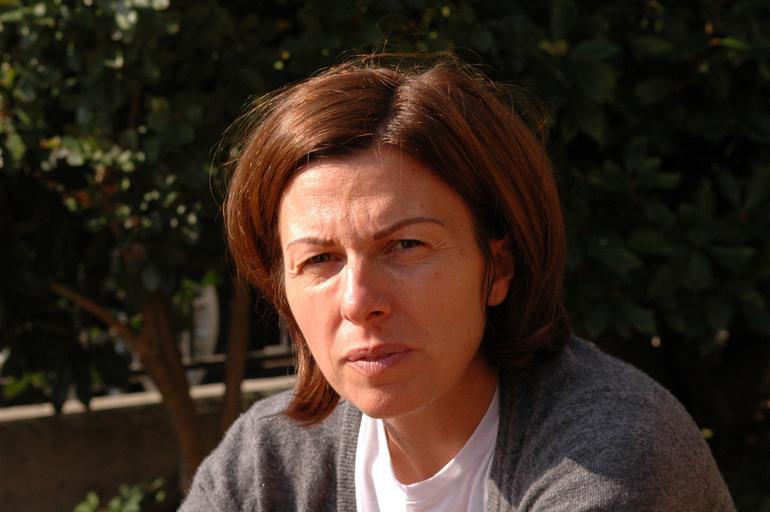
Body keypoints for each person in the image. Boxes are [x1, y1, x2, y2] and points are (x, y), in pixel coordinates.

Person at [180, 54, 735, 511]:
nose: (358, 302)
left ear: (499, 267)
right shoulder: (267, 463)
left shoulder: (611, 452)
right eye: (320, 259)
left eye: (406, 246)